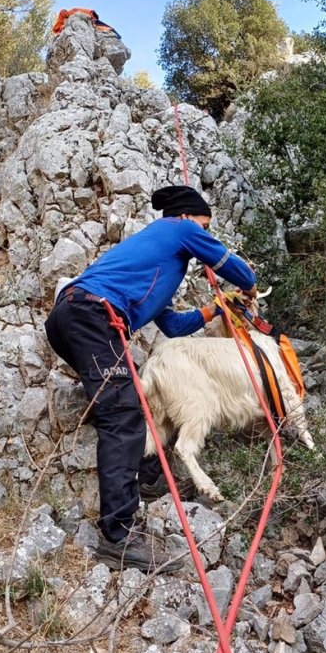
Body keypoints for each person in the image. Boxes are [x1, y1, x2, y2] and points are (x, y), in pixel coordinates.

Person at [45, 185, 257, 572]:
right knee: (123, 414)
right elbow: (234, 267)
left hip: (72, 318)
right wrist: (249, 284)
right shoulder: (178, 230)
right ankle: (119, 536)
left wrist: (215, 309)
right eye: (205, 227)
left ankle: (147, 478)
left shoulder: (160, 262)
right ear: (188, 218)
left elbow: (174, 326)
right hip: (93, 317)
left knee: (124, 404)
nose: (205, 235)